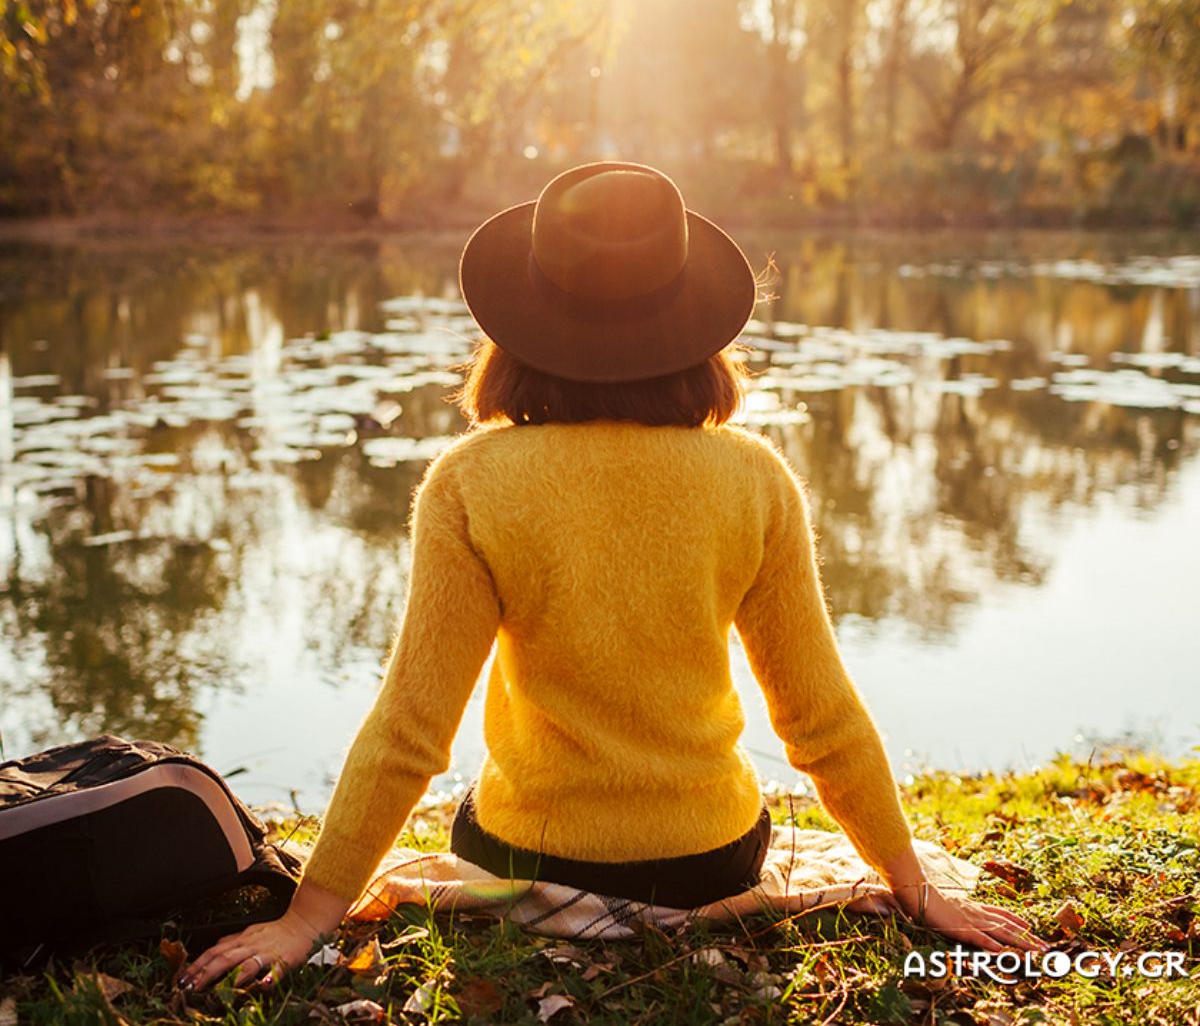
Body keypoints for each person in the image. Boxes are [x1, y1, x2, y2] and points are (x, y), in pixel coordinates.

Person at [179, 161, 1046, 991]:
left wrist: (308, 916)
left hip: (528, 856)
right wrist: (912, 883)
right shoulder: (755, 478)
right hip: (714, 860)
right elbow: (819, 715)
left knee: (478, 807)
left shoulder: (472, 480)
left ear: (520, 328)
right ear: (692, 325)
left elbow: (412, 725)